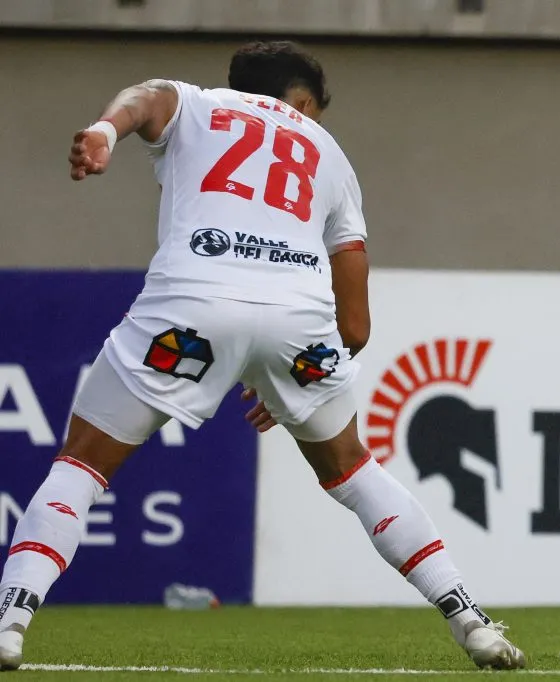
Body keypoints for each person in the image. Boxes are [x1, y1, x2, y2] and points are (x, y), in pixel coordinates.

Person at [0, 41, 525, 672]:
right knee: (354, 472)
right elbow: (355, 324)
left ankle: (10, 621)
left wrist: (106, 132)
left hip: (191, 311)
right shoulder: (330, 155)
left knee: (82, 466)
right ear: (303, 101)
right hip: (298, 325)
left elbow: (143, 100)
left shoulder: (197, 103)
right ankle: (470, 619)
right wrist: (291, 380)